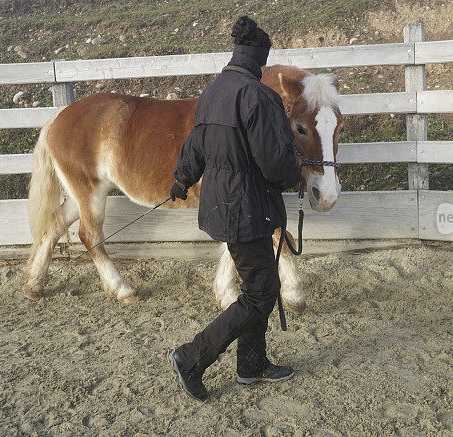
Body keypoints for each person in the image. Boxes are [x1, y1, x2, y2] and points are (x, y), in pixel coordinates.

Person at [166, 15, 301, 401]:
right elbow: (274, 162)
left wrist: (181, 178)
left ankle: (251, 365)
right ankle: (191, 357)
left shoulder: (212, 93)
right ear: (260, 61)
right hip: (249, 207)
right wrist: (292, 176)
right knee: (261, 291)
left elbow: (195, 145)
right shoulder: (259, 96)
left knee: (258, 285)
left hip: (223, 205)